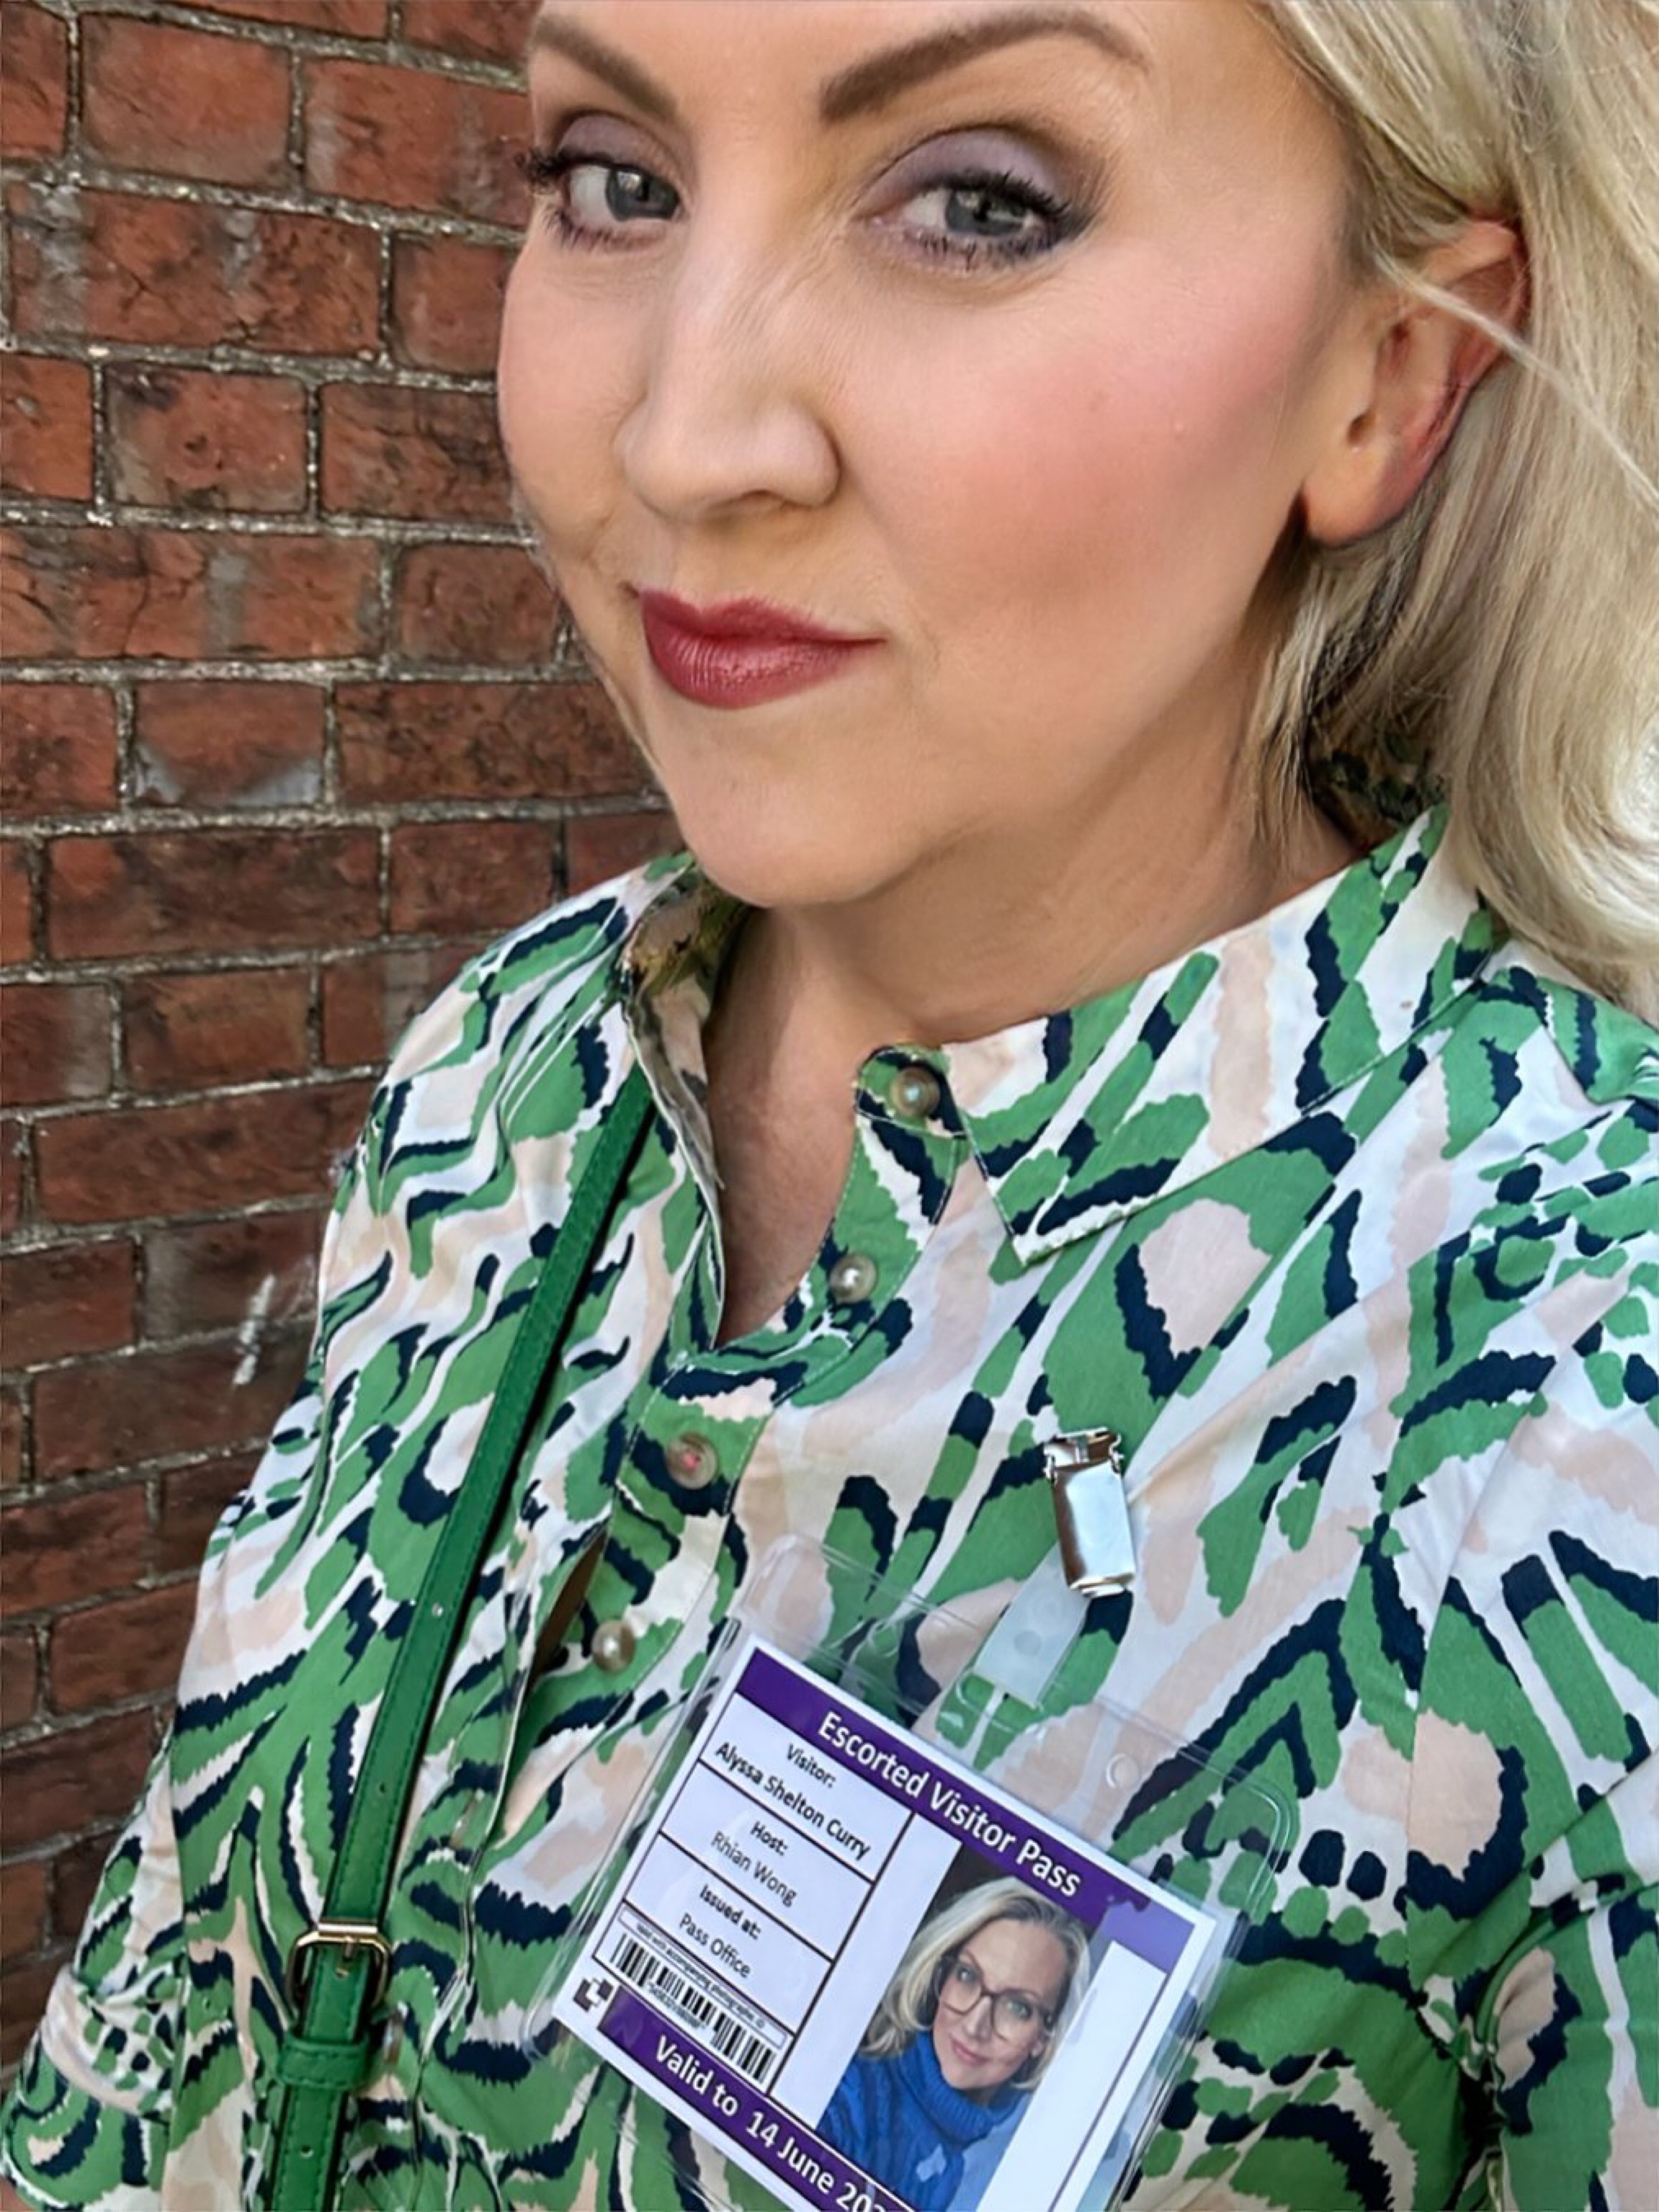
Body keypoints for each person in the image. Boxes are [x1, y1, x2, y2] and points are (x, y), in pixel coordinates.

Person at [3, 1, 1655, 2207]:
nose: (685, 438)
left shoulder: (1572, 1396)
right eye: (614, 178)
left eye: (975, 203)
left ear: (1389, 374)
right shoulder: (514, 1069)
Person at [817, 1880, 1090, 2211]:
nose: (975, 2026)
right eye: (967, 1976)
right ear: (941, 1976)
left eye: (1017, 2007)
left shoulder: (1033, 2167)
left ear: (1045, 2039)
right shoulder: (847, 2097)